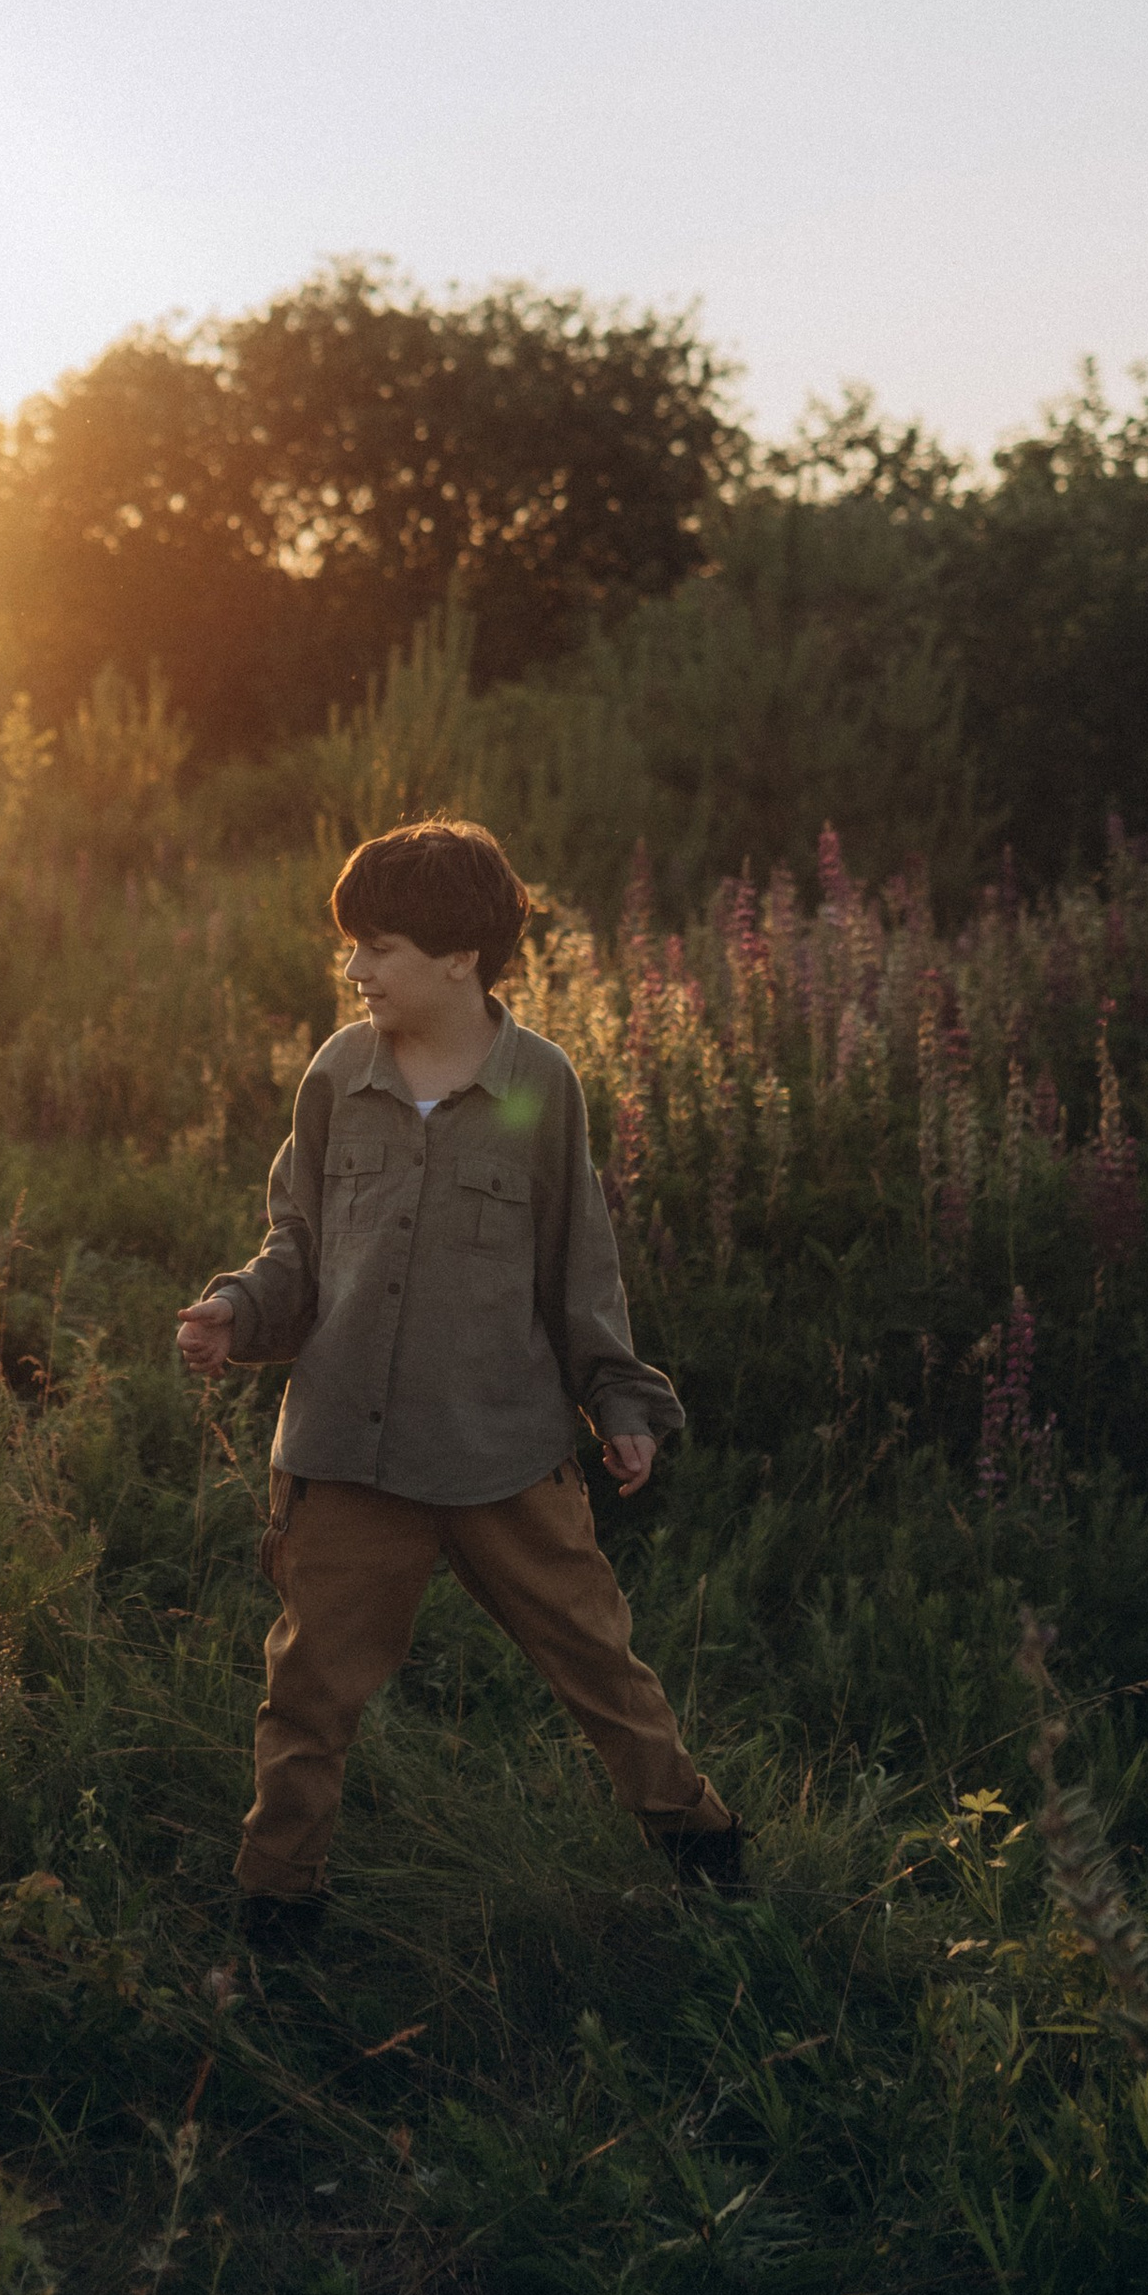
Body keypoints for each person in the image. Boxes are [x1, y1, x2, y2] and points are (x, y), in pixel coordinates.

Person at [175, 818, 739, 1947]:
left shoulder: (539, 1084)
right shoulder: (338, 1074)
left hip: (502, 1454)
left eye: (377, 946)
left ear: (459, 957)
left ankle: (709, 1859)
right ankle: (276, 1916)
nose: (353, 968)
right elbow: (299, 1247)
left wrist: (617, 1401)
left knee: (601, 1667)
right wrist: (237, 1309)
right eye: (351, 947)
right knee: (305, 1700)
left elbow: (577, 1262)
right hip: (345, 1457)